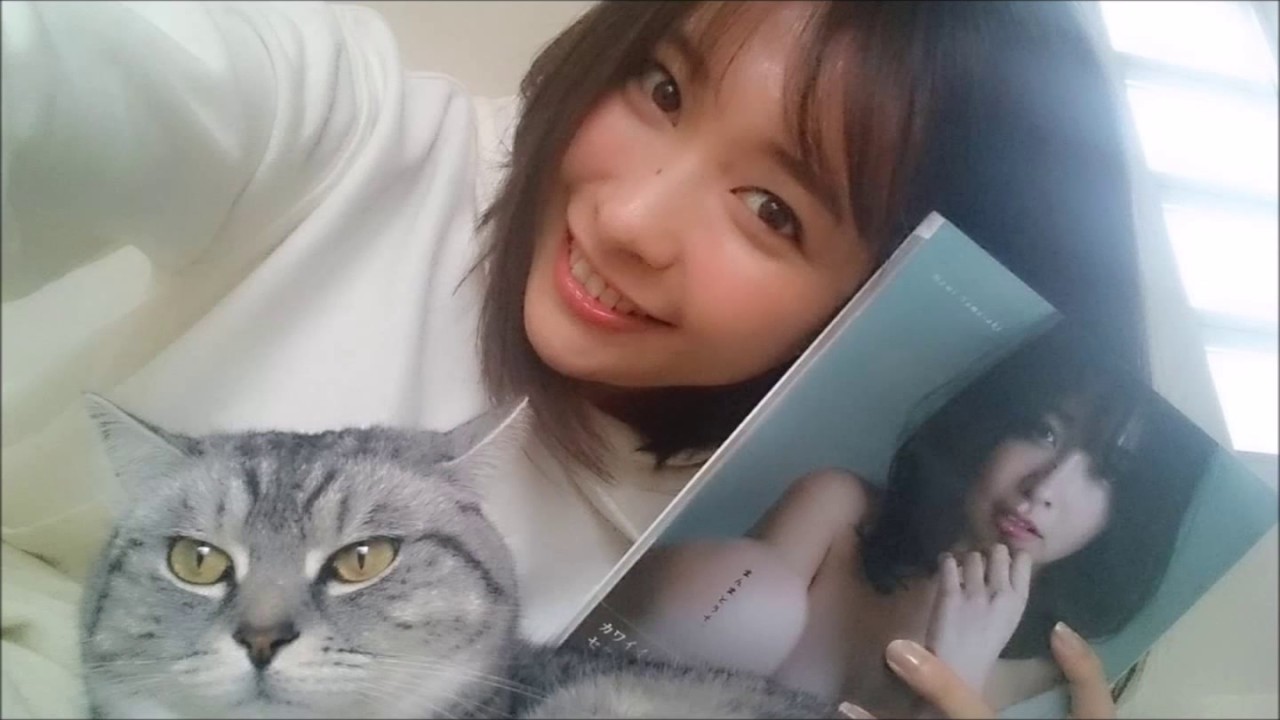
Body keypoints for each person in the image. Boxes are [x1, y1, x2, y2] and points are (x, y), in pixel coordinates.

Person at [2, 1, 1144, 716]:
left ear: (885, 299)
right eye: (661, 88)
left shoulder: (776, 510)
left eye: (772, 211)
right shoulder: (352, 139)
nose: (631, 220)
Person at [603, 325, 1212, 714]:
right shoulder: (839, 512)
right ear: (989, 424)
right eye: (1041, 431)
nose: (1045, 489)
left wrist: (955, 680)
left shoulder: (1051, 688)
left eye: (1106, 474)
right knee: (753, 598)